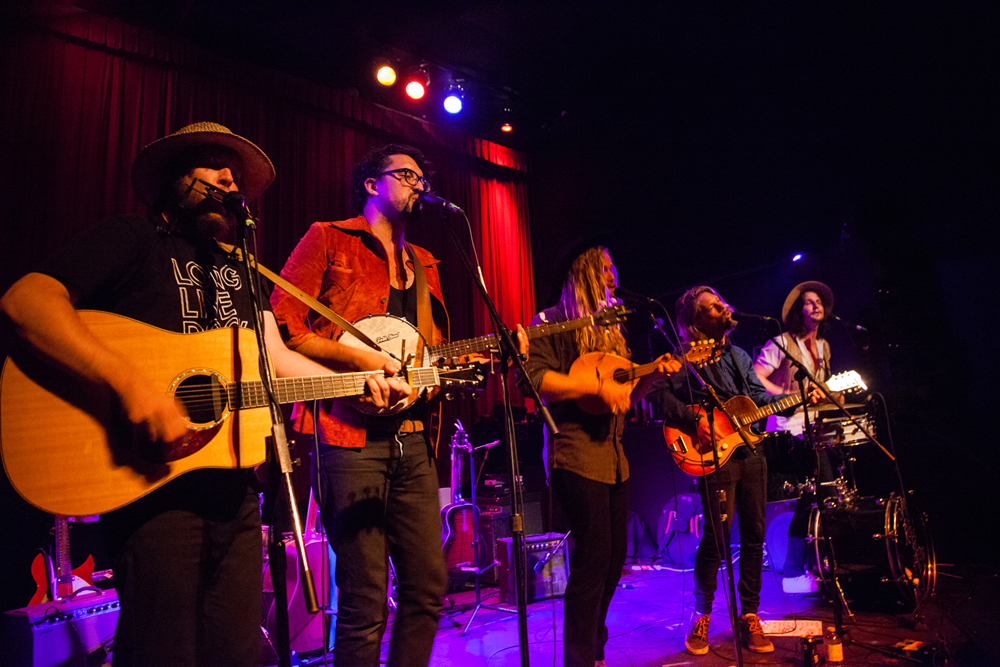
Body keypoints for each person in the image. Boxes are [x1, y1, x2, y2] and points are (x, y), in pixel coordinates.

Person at [0, 122, 342, 666]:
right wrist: (130, 383)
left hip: (235, 496)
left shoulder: (241, 266)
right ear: (175, 178)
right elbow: (27, 301)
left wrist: (360, 385)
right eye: (211, 164)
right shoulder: (131, 239)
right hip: (150, 490)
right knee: (164, 653)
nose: (229, 177)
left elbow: (276, 360)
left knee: (238, 655)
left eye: (235, 172)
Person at [269, 144, 451, 667]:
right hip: (344, 435)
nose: (419, 184)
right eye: (406, 175)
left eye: (423, 176)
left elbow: (428, 355)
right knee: (365, 598)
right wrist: (359, 360)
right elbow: (284, 328)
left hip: (414, 438)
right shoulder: (327, 238)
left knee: (427, 587)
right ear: (372, 185)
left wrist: (453, 372)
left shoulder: (428, 264)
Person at [520, 246, 678, 667]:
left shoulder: (611, 331)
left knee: (612, 564)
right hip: (573, 454)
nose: (614, 275)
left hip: (613, 458)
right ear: (585, 271)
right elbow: (534, 380)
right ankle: (579, 658)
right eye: (606, 267)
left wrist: (651, 377)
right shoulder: (550, 322)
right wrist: (592, 389)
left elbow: (623, 395)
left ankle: (595, 648)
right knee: (592, 563)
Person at [654, 286, 796, 657]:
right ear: (695, 321)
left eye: (722, 303)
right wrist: (693, 420)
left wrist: (793, 400)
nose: (724, 308)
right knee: (716, 539)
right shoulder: (684, 357)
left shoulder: (736, 356)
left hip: (750, 451)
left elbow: (756, 398)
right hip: (710, 453)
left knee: (754, 535)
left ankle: (748, 614)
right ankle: (702, 614)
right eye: (713, 307)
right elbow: (658, 394)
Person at [753, 281, 837, 595]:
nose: (816, 305)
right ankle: (792, 571)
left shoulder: (824, 348)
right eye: (809, 301)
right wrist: (791, 395)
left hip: (815, 429)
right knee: (817, 492)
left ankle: (812, 565)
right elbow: (757, 380)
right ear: (797, 311)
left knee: (825, 495)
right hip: (786, 432)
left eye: (819, 301)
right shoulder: (781, 343)